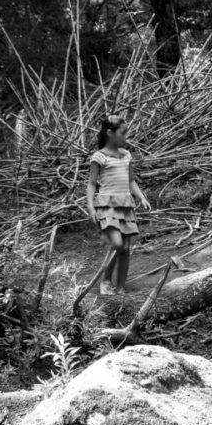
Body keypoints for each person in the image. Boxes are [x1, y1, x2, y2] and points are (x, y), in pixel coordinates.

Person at [86, 115, 151, 294]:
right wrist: (91, 207)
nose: (125, 136)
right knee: (116, 243)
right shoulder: (98, 157)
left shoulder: (126, 155)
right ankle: (105, 282)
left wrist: (141, 197)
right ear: (110, 133)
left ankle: (121, 287)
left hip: (125, 205)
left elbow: (131, 181)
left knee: (126, 248)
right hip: (107, 205)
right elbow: (92, 184)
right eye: (122, 133)